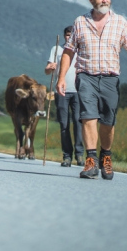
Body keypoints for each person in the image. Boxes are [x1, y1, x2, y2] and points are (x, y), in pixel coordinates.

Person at [57, 0, 127, 180]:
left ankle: (106, 156)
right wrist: (61, 78)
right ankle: (90, 160)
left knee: (108, 121)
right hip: (86, 77)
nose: (105, 0)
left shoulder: (120, 22)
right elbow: (68, 51)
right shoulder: (80, 22)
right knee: (88, 116)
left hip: (110, 79)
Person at [46, 26, 84, 166]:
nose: (69, 37)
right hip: (61, 90)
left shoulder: (81, 50)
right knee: (64, 124)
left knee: (78, 122)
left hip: (78, 90)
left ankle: (79, 155)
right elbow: (47, 70)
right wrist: (50, 68)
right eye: (67, 35)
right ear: (64, 36)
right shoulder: (56, 49)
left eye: (71, 35)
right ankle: (67, 156)